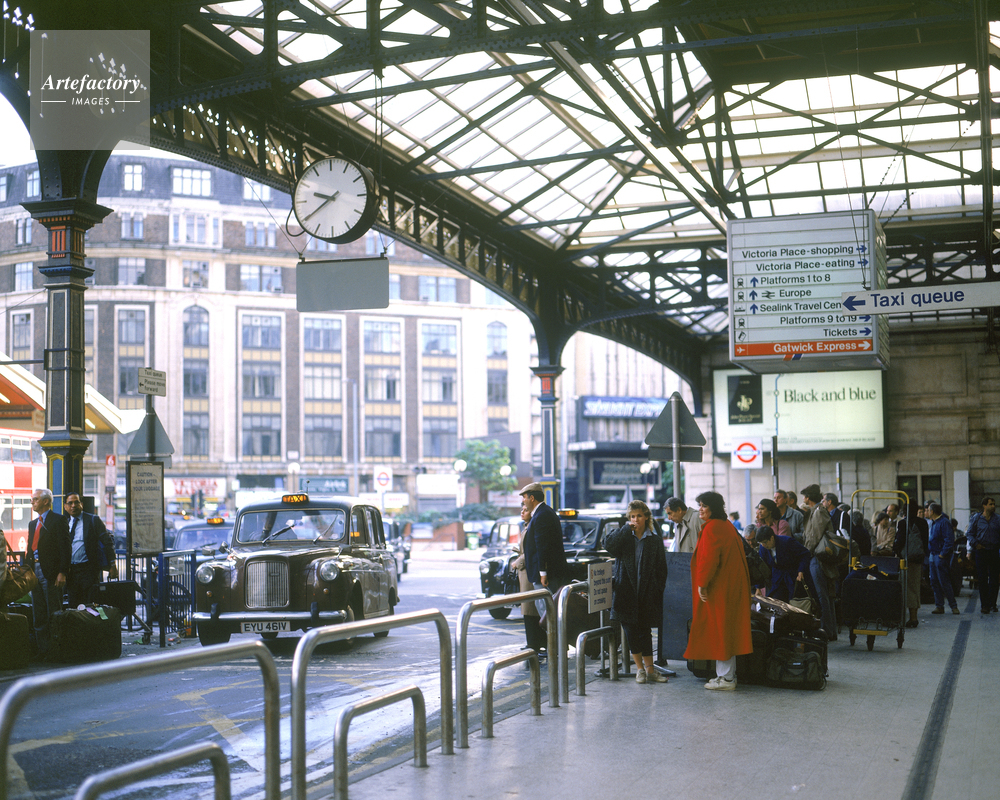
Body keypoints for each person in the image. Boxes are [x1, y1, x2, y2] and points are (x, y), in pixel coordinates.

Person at [683, 491, 752, 691]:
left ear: (713, 508)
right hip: (731, 585)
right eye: (699, 505)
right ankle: (727, 675)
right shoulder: (726, 525)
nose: (700, 509)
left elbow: (709, 559)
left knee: (720, 630)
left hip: (719, 587)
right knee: (727, 630)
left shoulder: (712, 528)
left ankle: (726, 679)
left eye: (704, 505)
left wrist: (702, 583)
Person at [605, 500, 669, 684]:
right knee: (631, 632)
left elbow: (661, 569)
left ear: (646, 517)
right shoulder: (624, 537)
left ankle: (650, 671)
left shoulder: (654, 540)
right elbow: (608, 545)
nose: (635, 520)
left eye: (639, 516)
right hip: (626, 594)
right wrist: (626, 530)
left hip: (647, 593)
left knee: (645, 631)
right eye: (632, 516)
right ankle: (640, 670)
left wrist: (657, 589)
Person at [515, 482, 568, 658]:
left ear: (532, 498)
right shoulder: (544, 512)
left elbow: (542, 546)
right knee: (549, 612)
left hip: (545, 575)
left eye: (524, 497)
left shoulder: (542, 515)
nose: (523, 501)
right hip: (546, 572)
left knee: (548, 613)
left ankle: (556, 649)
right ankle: (556, 647)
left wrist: (543, 573)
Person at [26, 488, 71, 660]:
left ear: (46, 501)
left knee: (53, 611)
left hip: (51, 573)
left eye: (35, 499)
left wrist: (62, 572)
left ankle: (55, 650)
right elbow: (30, 550)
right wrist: (27, 571)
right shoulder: (33, 524)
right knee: (38, 612)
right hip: (34, 572)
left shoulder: (58, 520)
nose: (32, 502)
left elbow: (65, 549)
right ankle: (42, 650)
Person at [65, 493, 119, 608]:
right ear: (65, 506)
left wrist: (112, 565)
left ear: (81, 504)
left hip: (88, 571)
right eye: (70, 503)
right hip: (71, 573)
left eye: (76, 502)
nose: (73, 505)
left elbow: (107, 542)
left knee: (90, 606)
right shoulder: (64, 522)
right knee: (73, 606)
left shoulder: (93, 520)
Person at [800, 484, 839, 640]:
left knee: (822, 595)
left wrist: (806, 552)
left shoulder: (818, 511)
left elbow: (814, 536)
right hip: (818, 556)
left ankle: (826, 631)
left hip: (818, 557)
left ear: (808, 497)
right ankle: (831, 631)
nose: (803, 499)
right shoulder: (815, 511)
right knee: (826, 595)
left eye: (804, 496)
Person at [754, 525, 810, 602]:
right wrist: (758, 587)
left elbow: (805, 554)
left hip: (793, 577)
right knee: (777, 602)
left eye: (765, 542)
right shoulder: (763, 548)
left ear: (772, 538)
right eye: (761, 543)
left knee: (795, 603)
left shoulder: (787, 542)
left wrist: (801, 570)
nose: (763, 545)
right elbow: (762, 568)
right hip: (777, 580)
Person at [894, 503, 927, 627]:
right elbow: (925, 541)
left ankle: (908, 618)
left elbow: (900, 541)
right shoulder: (923, 523)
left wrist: (896, 551)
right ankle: (914, 617)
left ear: (904, 511)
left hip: (906, 560)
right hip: (918, 559)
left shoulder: (903, 523)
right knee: (915, 587)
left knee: (906, 588)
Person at [966, 496, 1000, 614]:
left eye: (994, 504)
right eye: (991, 504)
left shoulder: (997, 519)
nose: (993, 506)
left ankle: (992, 603)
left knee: (994, 579)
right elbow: (969, 534)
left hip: (994, 551)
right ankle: (985, 605)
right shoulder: (976, 519)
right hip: (982, 551)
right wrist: (975, 544)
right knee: (982, 579)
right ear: (984, 506)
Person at [927, 502, 960, 615]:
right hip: (933, 554)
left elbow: (949, 540)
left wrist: (942, 554)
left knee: (944, 581)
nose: (927, 512)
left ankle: (953, 606)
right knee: (934, 581)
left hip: (939, 555)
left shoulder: (944, 522)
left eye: (928, 510)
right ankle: (939, 606)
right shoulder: (933, 522)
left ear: (932, 511)